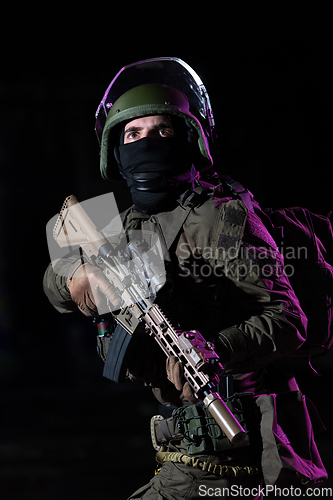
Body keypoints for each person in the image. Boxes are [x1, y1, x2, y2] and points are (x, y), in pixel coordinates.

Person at [44, 58, 327, 499]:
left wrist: (215, 346)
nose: (147, 143)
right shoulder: (127, 224)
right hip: (186, 446)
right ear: (114, 151)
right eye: (133, 134)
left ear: (190, 139)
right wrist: (80, 275)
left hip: (241, 445)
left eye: (163, 131)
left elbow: (290, 319)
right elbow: (57, 277)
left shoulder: (219, 215)